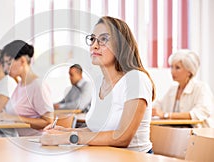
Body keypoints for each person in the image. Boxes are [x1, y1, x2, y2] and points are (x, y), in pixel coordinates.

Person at [40, 16, 156, 154]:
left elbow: (122, 138)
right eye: (93, 39)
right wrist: (65, 131)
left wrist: (68, 138)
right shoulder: (99, 82)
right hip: (105, 156)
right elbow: (97, 130)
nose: (94, 45)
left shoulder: (135, 79)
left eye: (103, 39)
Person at [0, 40, 54, 136]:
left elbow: (48, 122)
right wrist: (1, 115)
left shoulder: (38, 85)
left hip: (36, 143)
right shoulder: (20, 85)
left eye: (8, 63)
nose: (6, 68)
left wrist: (14, 118)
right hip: (21, 141)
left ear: (22, 61)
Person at [152, 49, 213, 127]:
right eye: (171, 67)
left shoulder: (201, 88)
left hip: (197, 135)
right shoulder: (173, 89)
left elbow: (198, 113)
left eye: (177, 68)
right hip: (176, 134)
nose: (172, 72)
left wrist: (166, 115)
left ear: (189, 71)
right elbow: (158, 106)